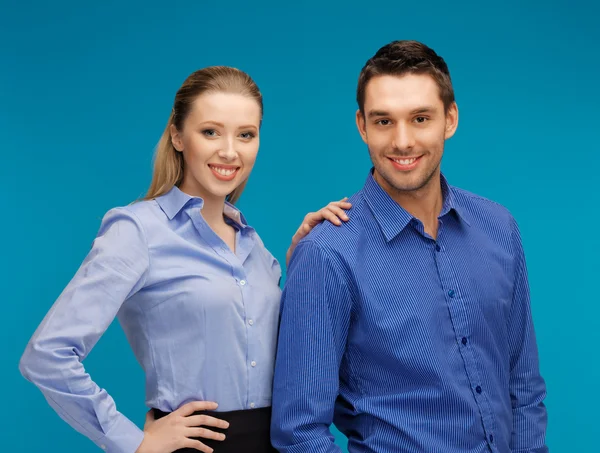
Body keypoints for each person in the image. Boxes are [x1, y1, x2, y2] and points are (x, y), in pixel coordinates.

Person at [19, 66, 351, 453]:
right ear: (177, 136)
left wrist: (304, 261)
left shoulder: (255, 247)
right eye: (210, 131)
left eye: (246, 134)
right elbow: (47, 355)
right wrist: (134, 443)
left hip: (274, 443)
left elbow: (272, 353)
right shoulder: (137, 231)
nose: (230, 150)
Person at [271, 40, 548, 453]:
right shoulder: (328, 254)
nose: (402, 142)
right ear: (362, 126)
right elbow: (298, 435)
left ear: (449, 119)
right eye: (384, 122)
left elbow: (523, 388)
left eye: (420, 118)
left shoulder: (499, 228)